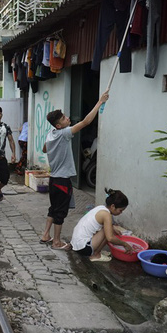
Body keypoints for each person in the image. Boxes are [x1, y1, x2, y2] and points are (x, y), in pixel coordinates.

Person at [40, 89, 110, 249]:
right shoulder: (64, 133)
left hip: (54, 179)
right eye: (64, 118)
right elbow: (85, 122)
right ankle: (56, 242)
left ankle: (45, 235)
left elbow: (44, 149)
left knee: (53, 208)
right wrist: (100, 102)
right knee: (60, 212)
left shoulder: (51, 133)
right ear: (59, 125)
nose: (67, 118)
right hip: (62, 181)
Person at [71, 188, 133, 262]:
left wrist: (113, 228)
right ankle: (95, 255)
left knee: (109, 229)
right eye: (120, 210)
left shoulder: (101, 208)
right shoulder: (107, 215)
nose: (121, 213)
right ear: (113, 206)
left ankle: (97, 251)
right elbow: (110, 238)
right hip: (83, 248)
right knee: (108, 232)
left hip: (76, 243)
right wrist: (125, 244)